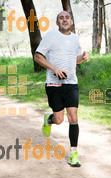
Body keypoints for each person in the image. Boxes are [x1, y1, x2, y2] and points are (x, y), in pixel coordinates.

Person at [34, 11, 90, 167]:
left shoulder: (75, 39)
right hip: (54, 84)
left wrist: (83, 59)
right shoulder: (51, 36)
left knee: (73, 116)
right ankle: (49, 119)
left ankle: (73, 153)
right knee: (59, 120)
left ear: (71, 21)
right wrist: (54, 69)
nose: (64, 20)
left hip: (71, 83)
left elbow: (76, 60)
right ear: (57, 22)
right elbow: (37, 56)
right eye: (61, 18)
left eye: (67, 18)